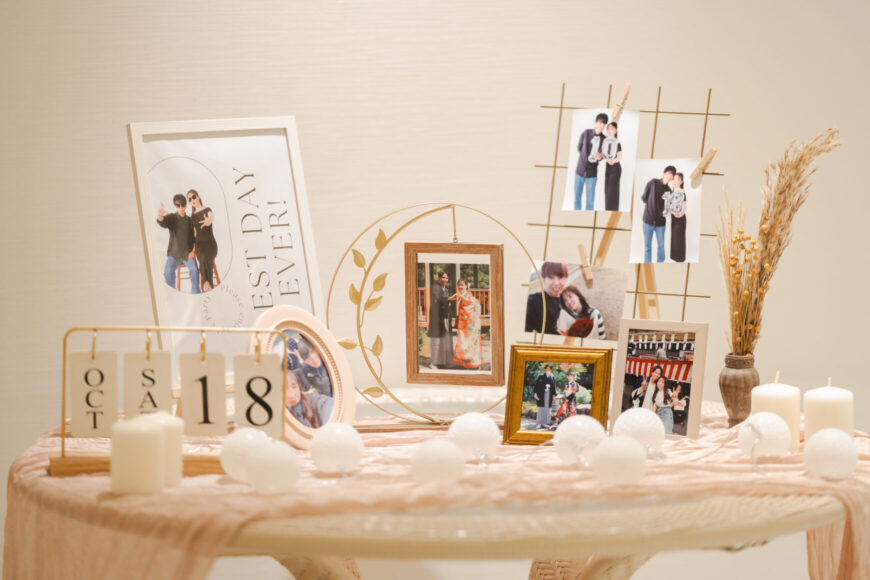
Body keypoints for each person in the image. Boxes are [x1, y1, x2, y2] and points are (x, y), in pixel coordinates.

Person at [156, 193, 200, 293]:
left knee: (194, 270)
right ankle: (172, 294)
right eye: (178, 205)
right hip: (174, 255)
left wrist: (193, 252)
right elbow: (162, 222)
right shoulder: (171, 217)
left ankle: (196, 294)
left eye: (182, 205)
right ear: (175, 206)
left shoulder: (190, 220)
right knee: (167, 272)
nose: (181, 207)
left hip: (187, 254)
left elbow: (194, 238)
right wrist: (160, 215)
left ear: (186, 205)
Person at [640, 165, 676, 263]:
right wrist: (651, 209)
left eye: (672, 176)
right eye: (668, 174)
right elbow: (644, 198)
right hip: (647, 222)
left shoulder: (669, 191)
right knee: (647, 247)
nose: (670, 177)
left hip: (660, 224)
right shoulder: (653, 183)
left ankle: (660, 263)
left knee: (661, 246)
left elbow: (669, 208)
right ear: (664, 173)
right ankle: (647, 264)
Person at [574, 113, 607, 210]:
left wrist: (600, 157)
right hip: (579, 171)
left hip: (592, 175)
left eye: (604, 124)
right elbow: (579, 147)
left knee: (590, 201)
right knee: (576, 199)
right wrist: (584, 158)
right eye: (600, 123)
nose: (601, 126)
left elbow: (603, 155)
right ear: (596, 123)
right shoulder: (586, 133)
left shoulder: (604, 139)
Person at [187, 189, 219, 291]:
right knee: (203, 258)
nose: (192, 200)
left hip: (211, 244)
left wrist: (208, 220)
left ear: (198, 197)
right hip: (199, 245)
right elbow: (194, 234)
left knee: (206, 258)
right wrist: (192, 250)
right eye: (189, 199)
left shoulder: (207, 209)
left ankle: (206, 284)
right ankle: (208, 284)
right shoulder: (192, 216)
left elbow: (211, 217)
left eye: (193, 197)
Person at [525, 262, 567, 335]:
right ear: (543, 279)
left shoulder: (567, 298)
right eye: (551, 277)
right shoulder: (533, 302)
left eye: (560, 277)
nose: (556, 283)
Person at [427, 270, 458, 369]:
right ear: (439, 278)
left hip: (445, 317)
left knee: (445, 339)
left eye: (446, 278)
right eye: (443, 277)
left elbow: (446, 301)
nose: (445, 279)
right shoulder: (435, 287)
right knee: (436, 340)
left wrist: (450, 300)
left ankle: (444, 361)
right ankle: (433, 363)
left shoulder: (446, 289)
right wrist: (449, 299)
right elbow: (439, 299)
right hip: (437, 318)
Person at [451, 279, 483, 369]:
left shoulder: (468, 295)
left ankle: (474, 364)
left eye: (462, 285)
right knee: (464, 343)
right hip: (463, 323)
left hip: (469, 324)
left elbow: (471, 304)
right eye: (459, 285)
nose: (460, 287)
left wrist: (460, 296)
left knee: (469, 343)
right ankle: (466, 363)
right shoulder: (462, 295)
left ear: (466, 286)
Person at [664, 171, 688, 262]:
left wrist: (680, 214)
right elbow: (670, 206)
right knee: (674, 238)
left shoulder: (681, 192)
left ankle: (680, 258)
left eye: (677, 180)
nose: (675, 181)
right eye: (674, 179)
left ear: (681, 182)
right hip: (674, 219)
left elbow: (685, 206)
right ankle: (674, 257)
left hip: (680, 219)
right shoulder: (672, 191)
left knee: (679, 239)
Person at [602, 121, 623, 211]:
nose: (610, 130)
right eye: (608, 128)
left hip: (615, 169)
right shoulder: (605, 142)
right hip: (608, 168)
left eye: (612, 129)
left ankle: (613, 210)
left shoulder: (617, 143)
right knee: (607, 192)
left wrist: (612, 161)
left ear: (616, 131)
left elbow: (619, 156)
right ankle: (608, 210)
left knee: (612, 193)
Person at [533, 364, 557, 429]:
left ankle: (545, 423)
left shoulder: (552, 376)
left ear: (551, 369)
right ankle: (539, 423)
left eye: (549, 368)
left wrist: (554, 395)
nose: (548, 369)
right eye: (547, 368)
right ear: (545, 369)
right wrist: (535, 393)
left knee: (547, 408)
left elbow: (554, 386)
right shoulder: (541, 376)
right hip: (541, 394)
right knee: (541, 408)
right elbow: (536, 385)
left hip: (549, 394)